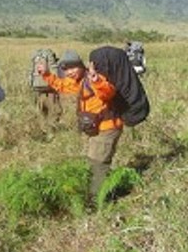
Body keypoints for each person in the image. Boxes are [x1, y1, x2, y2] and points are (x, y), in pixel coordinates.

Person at [36, 49, 123, 202]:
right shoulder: (79, 82)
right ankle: (105, 189)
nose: (69, 72)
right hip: (96, 130)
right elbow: (62, 86)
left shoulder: (94, 79)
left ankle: (99, 199)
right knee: (94, 161)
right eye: (66, 69)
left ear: (82, 66)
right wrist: (46, 74)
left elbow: (108, 92)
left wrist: (96, 80)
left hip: (107, 128)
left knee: (98, 163)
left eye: (72, 67)